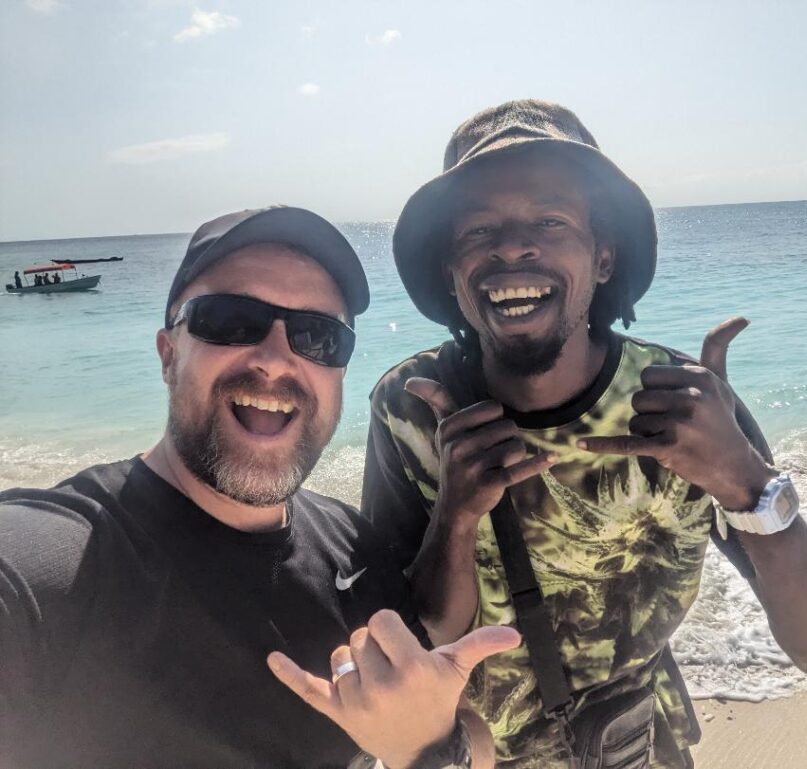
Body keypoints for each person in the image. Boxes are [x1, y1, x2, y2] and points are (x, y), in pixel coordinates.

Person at [362, 101, 807, 767]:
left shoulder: (681, 403)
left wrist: (744, 482)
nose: (513, 245)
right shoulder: (414, 410)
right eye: (479, 229)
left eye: (550, 219)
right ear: (452, 276)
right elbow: (407, 659)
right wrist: (455, 518)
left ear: (602, 257)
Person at [0, 205, 518, 769]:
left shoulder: (351, 544)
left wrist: (431, 750)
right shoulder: (48, 571)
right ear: (169, 354)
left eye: (318, 337)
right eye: (230, 322)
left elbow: (458, 723)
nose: (275, 360)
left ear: (340, 374)